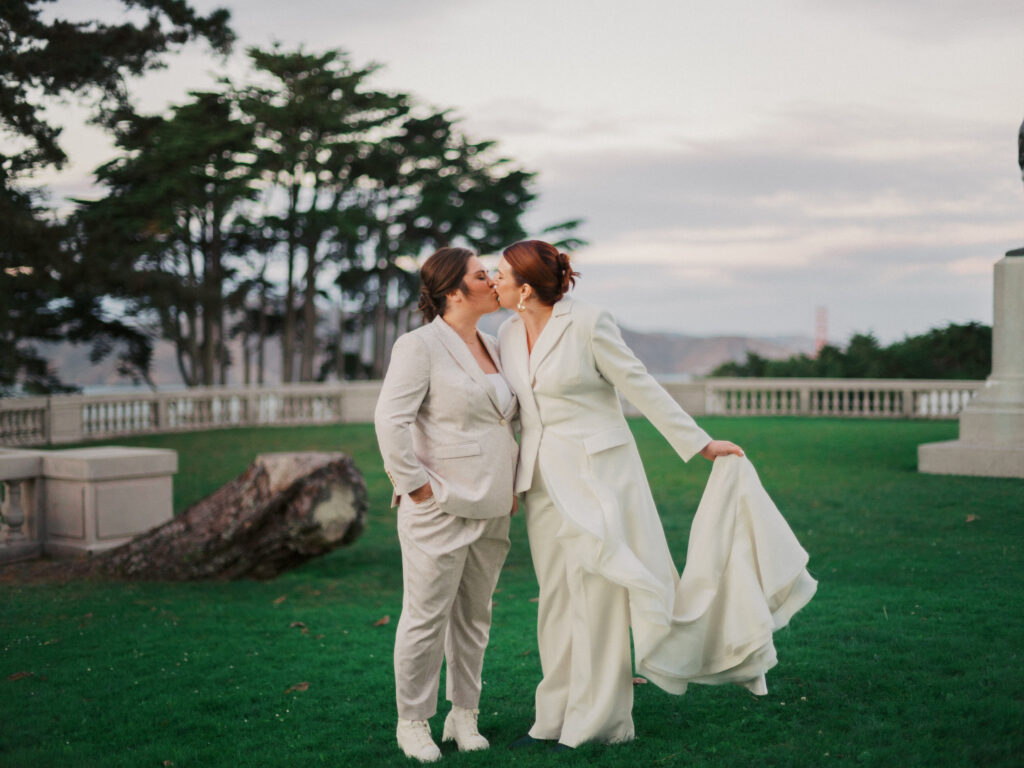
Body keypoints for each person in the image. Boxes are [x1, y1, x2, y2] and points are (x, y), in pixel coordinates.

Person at [494, 240, 815, 750]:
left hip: (598, 478)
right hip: (540, 483)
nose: (493, 280)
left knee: (598, 600)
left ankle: (599, 723)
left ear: (526, 287)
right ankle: (550, 718)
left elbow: (639, 385)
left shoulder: (589, 322)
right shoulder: (508, 333)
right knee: (555, 601)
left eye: (501, 273)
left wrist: (700, 443)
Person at [375, 247, 519, 763]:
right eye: (483, 276)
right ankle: (413, 721)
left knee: (475, 617)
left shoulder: (499, 343)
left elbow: (508, 420)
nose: (493, 281)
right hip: (439, 504)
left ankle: (464, 715)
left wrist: (514, 486)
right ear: (455, 292)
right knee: (425, 617)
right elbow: (390, 420)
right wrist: (416, 487)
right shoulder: (419, 346)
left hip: (494, 503)